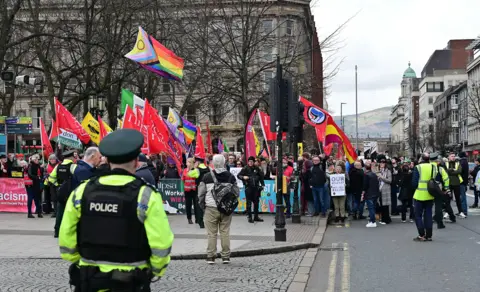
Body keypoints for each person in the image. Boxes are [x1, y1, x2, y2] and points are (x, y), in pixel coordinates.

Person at [59, 129, 174, 291]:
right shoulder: (146, 195)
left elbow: (66, 241)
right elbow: (161, 244)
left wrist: (83, 261)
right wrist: (154, 270)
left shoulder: (82, 191)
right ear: (136, 162)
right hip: (131, 281)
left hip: (90, 280)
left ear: (107, 161)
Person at [198, 154, 238, 264]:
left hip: (210, 208)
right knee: (225, 232)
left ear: (213, 163)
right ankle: (226, 256)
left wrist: (203, 206)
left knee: (211, 233)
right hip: (225, 208)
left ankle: (211, 256)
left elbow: (201, 194)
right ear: (224, 162)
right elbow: (236, 192)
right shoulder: (230, 176)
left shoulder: (206, 177)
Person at [412, 153, 443, 241]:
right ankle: (429, 235)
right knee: (428, 215)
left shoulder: (418, 167)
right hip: (430, 194)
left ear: (421, 158)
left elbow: (414, 183)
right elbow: (436, 180)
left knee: (418, 215)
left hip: (419, 195)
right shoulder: (433, 167)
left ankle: (421, 234)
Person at [48, 150, 77, 238]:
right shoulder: (73, 166)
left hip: (60, 191)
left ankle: (57, 231)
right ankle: (69, 231)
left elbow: (51, 178)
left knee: (59, 212)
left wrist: (58, 186)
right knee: (71, 212)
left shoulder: (58, 166)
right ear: (72, 157)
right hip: (71, 192)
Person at [429, 153, 454, 228]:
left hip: (427, 189)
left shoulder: (426, 167)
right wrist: (446, 188)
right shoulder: (440, 169)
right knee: (439, 205)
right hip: (438, 189)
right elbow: (446, 179)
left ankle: (429, 220)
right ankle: (440, 223)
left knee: (428, 206)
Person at [238, 156, 265, 223]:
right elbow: (238, 175)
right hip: (248, 187)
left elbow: (261, 177)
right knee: (249, 203)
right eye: (249, 161)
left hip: (256, 187)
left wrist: (263, 185)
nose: (250, 163)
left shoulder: (257, 168)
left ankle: (256, 216)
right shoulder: (245, 168)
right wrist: (243, 177)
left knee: (256, 202)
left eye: (252, 161)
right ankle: (249, 217)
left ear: (254, 162)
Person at [188, 156, 210, 228]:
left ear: (197, 162)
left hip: (200, 189)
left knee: (199, 205)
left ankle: (201, 222)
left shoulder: (197, 170)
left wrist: (193, 167)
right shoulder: (208, 168)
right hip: (208, 189)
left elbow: (189, 174)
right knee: (208, 205)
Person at [446, 153, 466, 218]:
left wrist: (450, 172)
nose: (453, 157)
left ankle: (460, 212)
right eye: (452, 156)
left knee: (458, 198)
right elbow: (445, 171)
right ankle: (447, 212)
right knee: (448, 199)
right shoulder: (446, 163)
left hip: (456, 183)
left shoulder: (458, 163)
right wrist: (453, 170)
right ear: (448, 157)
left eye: (454, 156)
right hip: (448, 183)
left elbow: (459, 171)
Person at [362, 162, 380, 228]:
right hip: (375, 193)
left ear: (365, 168)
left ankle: (373, 221)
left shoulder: (366, 175)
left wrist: (363, 192)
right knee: (373, 207)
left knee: (371, 208)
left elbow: (365, 185)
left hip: (369, 194)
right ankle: (371, 220)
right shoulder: (374, 174)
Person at [182, 158, 199, 225]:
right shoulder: (185, 170)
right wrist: (183, 189)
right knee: (188, 205)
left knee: (196, 205)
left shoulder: (195, 170)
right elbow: (183, 180)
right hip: (187, 191)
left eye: (189, 162)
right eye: (187, 162)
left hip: (194, 190)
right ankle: (189, 219)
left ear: (192, 163)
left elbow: (196, 177)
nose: (187, 163)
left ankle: (197, 219)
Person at [377, 159, 392, 224]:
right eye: (380, 163)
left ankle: (386, 219)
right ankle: (384, 218)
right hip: (380, 189)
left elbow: (389, 180)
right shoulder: (379, 171)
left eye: (383, 163)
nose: (381, 164)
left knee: (385, 205)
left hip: (386, 189)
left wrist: (381, 177)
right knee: (381, 205)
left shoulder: (388, 171)